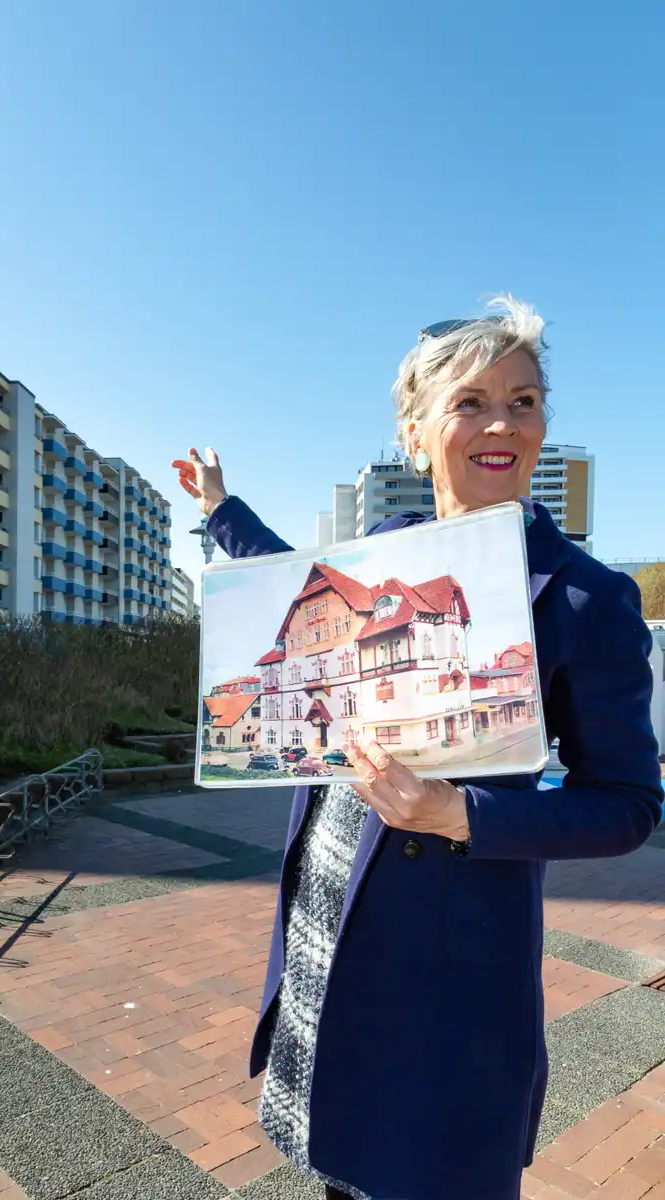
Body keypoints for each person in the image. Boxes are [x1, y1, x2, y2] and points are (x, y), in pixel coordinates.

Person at [172, 296, 663, 1200]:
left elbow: (630, 806)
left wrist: (461, 814)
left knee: (424, 1164)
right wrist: (221, 510)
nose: (502, 424)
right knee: (334, 1155)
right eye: (470, 402)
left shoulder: (588, 598)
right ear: (415, 431)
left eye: (525, 400)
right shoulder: (388, 549)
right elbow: (295, 589)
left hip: (449, 960)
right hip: (329, 903)